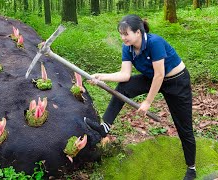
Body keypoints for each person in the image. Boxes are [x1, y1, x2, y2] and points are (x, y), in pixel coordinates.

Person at [84, 14, 196, 180]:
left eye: (126, 34)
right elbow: (125, 75)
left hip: (176, 81)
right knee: (124, 88)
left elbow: (160, 75)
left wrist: (147, 102)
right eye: (120, 34)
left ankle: (191, 168)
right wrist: (102, 76)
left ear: (138, 32)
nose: (123, 37)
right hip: (152, 77)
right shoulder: (127, 48)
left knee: (184, 127)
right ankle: (105, 127)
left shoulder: (154, 42)